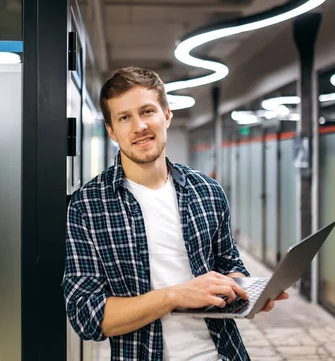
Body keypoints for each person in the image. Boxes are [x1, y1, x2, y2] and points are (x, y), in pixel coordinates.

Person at [62, 66, 288, 360]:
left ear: (166, 115)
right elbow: (86, 315)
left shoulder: (206, 190)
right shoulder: (87, 206)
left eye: (147, 111)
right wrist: (174, 296)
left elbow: (229, 263)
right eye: (124, 117)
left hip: (222, 353)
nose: (139, 126)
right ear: (111, 131)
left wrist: (247, 294)